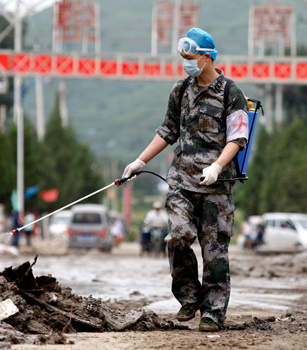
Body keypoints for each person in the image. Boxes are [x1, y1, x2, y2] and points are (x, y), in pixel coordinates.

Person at [122, 27, 249, 332]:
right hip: (181, 180)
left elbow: (238, 137)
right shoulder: (180, 90)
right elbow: (167, 131)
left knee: (214, 250)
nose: (186, 62)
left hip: (216, 185)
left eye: (190, 57)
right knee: (177, 236)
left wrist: (217, 166)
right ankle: (189, 297)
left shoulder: (231, 93)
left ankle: (213, 311)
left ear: (206, 58)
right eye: (183, 57)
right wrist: (140, 161)